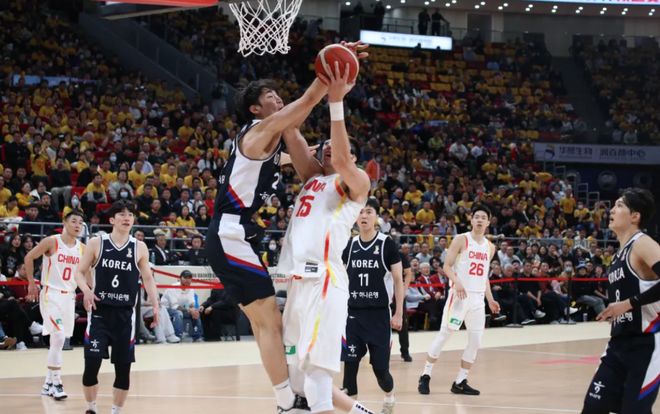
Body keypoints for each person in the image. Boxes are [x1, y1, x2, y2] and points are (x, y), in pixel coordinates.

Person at [204, 42, 367, 412]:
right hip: (230, 233)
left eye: (280, 95)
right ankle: (286, 401)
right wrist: (329, 75)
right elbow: (305, 104)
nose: (278, 100)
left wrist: (339, 63)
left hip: (241, 238)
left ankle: (291, 399)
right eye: (271, 97)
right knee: (269, 324)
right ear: (255, 109)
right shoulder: (256, 133)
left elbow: (308, 147)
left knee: (268, 325)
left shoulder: (277, 147)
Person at [278, 62, 372, 414]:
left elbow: (344, 160)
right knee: (297, 377)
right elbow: (291, 130)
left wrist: (336, 101)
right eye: (326, 144)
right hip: (297, 281)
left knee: (317, 376)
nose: (330, 147)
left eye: (339, 146)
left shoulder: (355, 182)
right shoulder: (312, 178)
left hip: (325, 280)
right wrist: (320, 80)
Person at [74, 200, 160, 414]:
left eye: (130, 214)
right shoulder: (97, 243)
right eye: (121, 214)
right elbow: (79, 272)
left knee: (123, 371)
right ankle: (91, 408)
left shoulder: (139, 247)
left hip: (125, 316)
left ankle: (116, 411)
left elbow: (148, 279)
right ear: (112, 220)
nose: (126, 217)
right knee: (91, 365)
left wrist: (156, 305)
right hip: (99, 314)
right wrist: (86, 290)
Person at [582, 188, 660, 414]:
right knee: (593, 408)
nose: (612, 210)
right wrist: (615, 312)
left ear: (635, 216)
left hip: (646, 344)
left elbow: (629, 302)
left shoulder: (642, 243)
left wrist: (628, 304)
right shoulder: (618, 255)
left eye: (619, 205)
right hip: (618, 344)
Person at [418, 204, 502, 396]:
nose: (479, 220)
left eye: (483, 217)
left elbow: (484, 276)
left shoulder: (490, 247)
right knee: (444, 335)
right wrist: (456, 282)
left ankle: (460, 381)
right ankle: (425, 375)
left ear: (488, 222)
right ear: (471, 219)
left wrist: (490, 299)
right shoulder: (461, 239)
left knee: (476, 341)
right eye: (476, 216)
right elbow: (447, 266)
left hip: (478, 300)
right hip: (459, 296)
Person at [341, 198, 404, 414]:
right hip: (352, 316)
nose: (364, 216)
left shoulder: (387, 244)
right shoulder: (348, 245)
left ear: (376, 216)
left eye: (369, 212)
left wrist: (399, 313)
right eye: (360, 212)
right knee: (349, 371)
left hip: (379, 317)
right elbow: (338, 278)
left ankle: (389, 396)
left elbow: (398, 280)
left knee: (381, 372)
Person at [23, 209, 86, 400]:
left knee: (58, 341)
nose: (77, 225)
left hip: (69, 298)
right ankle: (57, 383)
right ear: (64, 222)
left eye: (80, 222)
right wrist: (31, 283)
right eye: (73, 221)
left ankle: (47, 383)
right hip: (51, 294)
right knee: (58, 336)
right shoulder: (52, 241)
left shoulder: (82, 249)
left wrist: (92, 292)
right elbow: (29, 257)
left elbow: (87, 275)